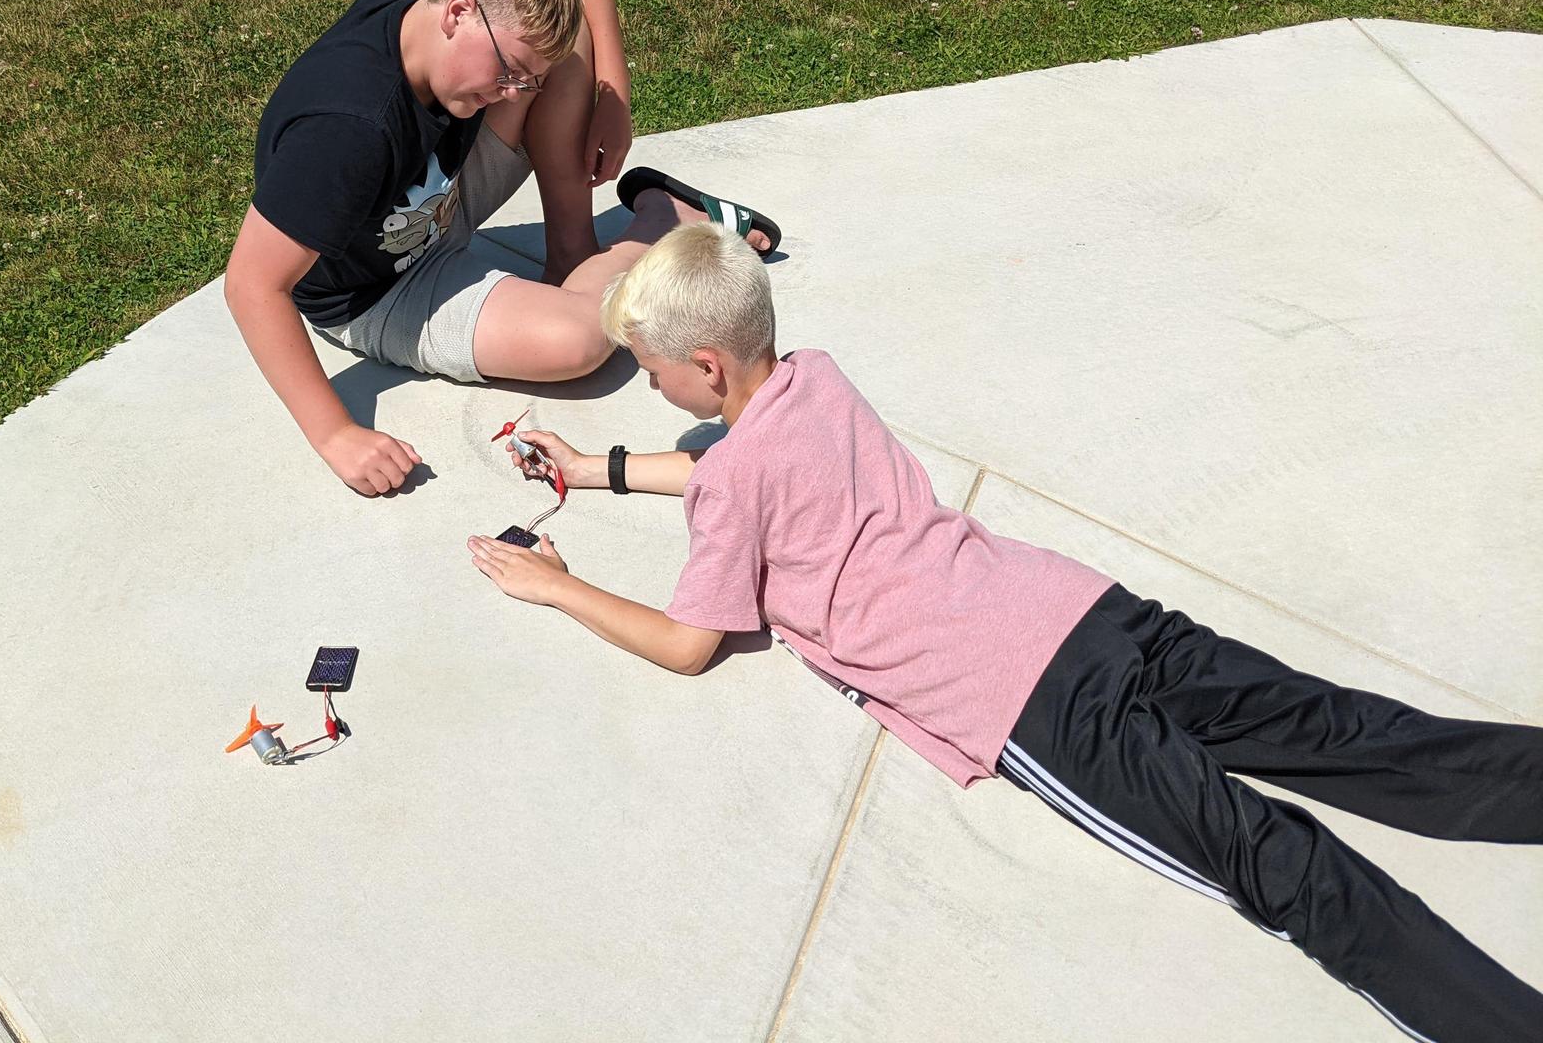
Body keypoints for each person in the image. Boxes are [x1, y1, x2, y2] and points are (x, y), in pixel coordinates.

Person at [466, 221, 1543, 1041]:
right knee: (1339, 729)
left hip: (1029, 701)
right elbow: (736, 463)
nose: (651, 386)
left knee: (1271, 862)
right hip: (1081, 609)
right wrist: (596, 470)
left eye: (654, 369)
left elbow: (688, 639)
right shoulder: (814, 381)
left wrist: (556, 585)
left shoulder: (728, 489)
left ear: (706, 367)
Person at [225, 0, 780, 497]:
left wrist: (613, 96)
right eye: (507, 73)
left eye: (522, 81)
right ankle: (664, 219)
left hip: (435, 195)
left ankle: (572, 254)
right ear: (457, 13)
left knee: (560, 46)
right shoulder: (347, 131)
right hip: (380, 286)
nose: (516, 93)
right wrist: (336, 433)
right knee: (580, 344)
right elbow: (252, 286)